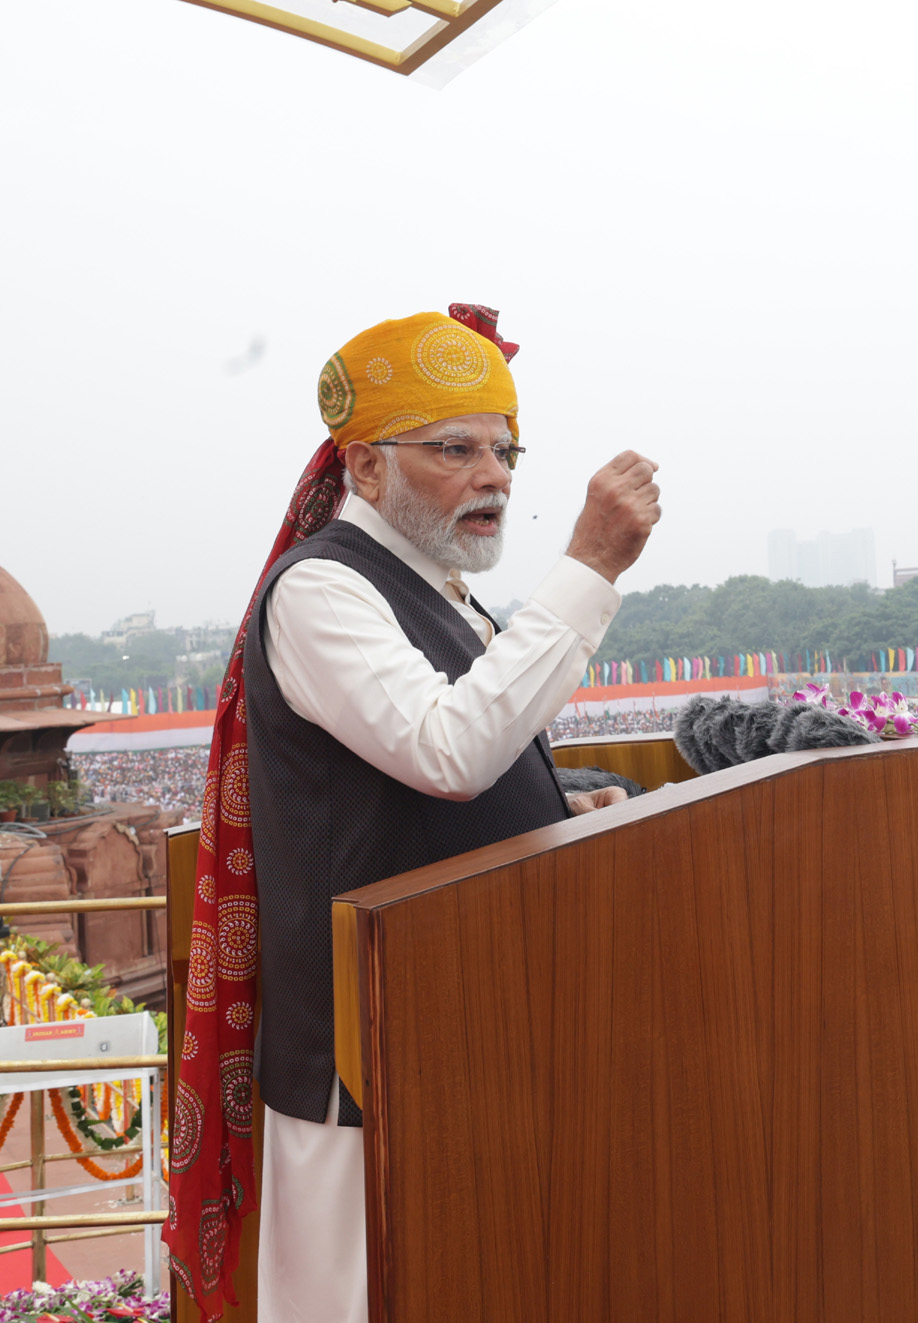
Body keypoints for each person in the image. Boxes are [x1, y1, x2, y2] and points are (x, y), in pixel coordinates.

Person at [166, 307, 662, 1323]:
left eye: (503, 450)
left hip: (463, 1025)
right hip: (366, 1049)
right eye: (457, 450)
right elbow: (446, 753)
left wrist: (557, 799)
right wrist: (589, 567)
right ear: (365, 466)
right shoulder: (321, 592)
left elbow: (430, 766)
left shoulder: (444, 593)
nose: (495, 476)